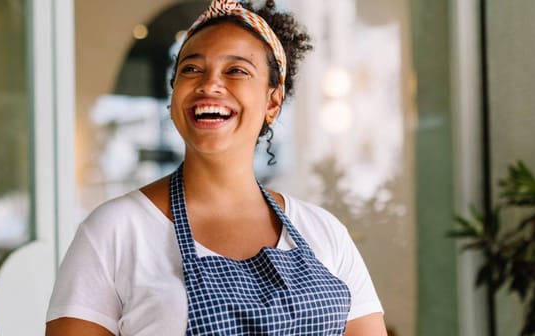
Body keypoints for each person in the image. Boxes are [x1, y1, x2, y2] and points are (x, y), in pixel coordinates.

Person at [46, 0, 387, 334]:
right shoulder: (115, 231)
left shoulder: (324, 233)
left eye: (236, 70)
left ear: (273, 100)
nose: (209, 85)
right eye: (191, 69)